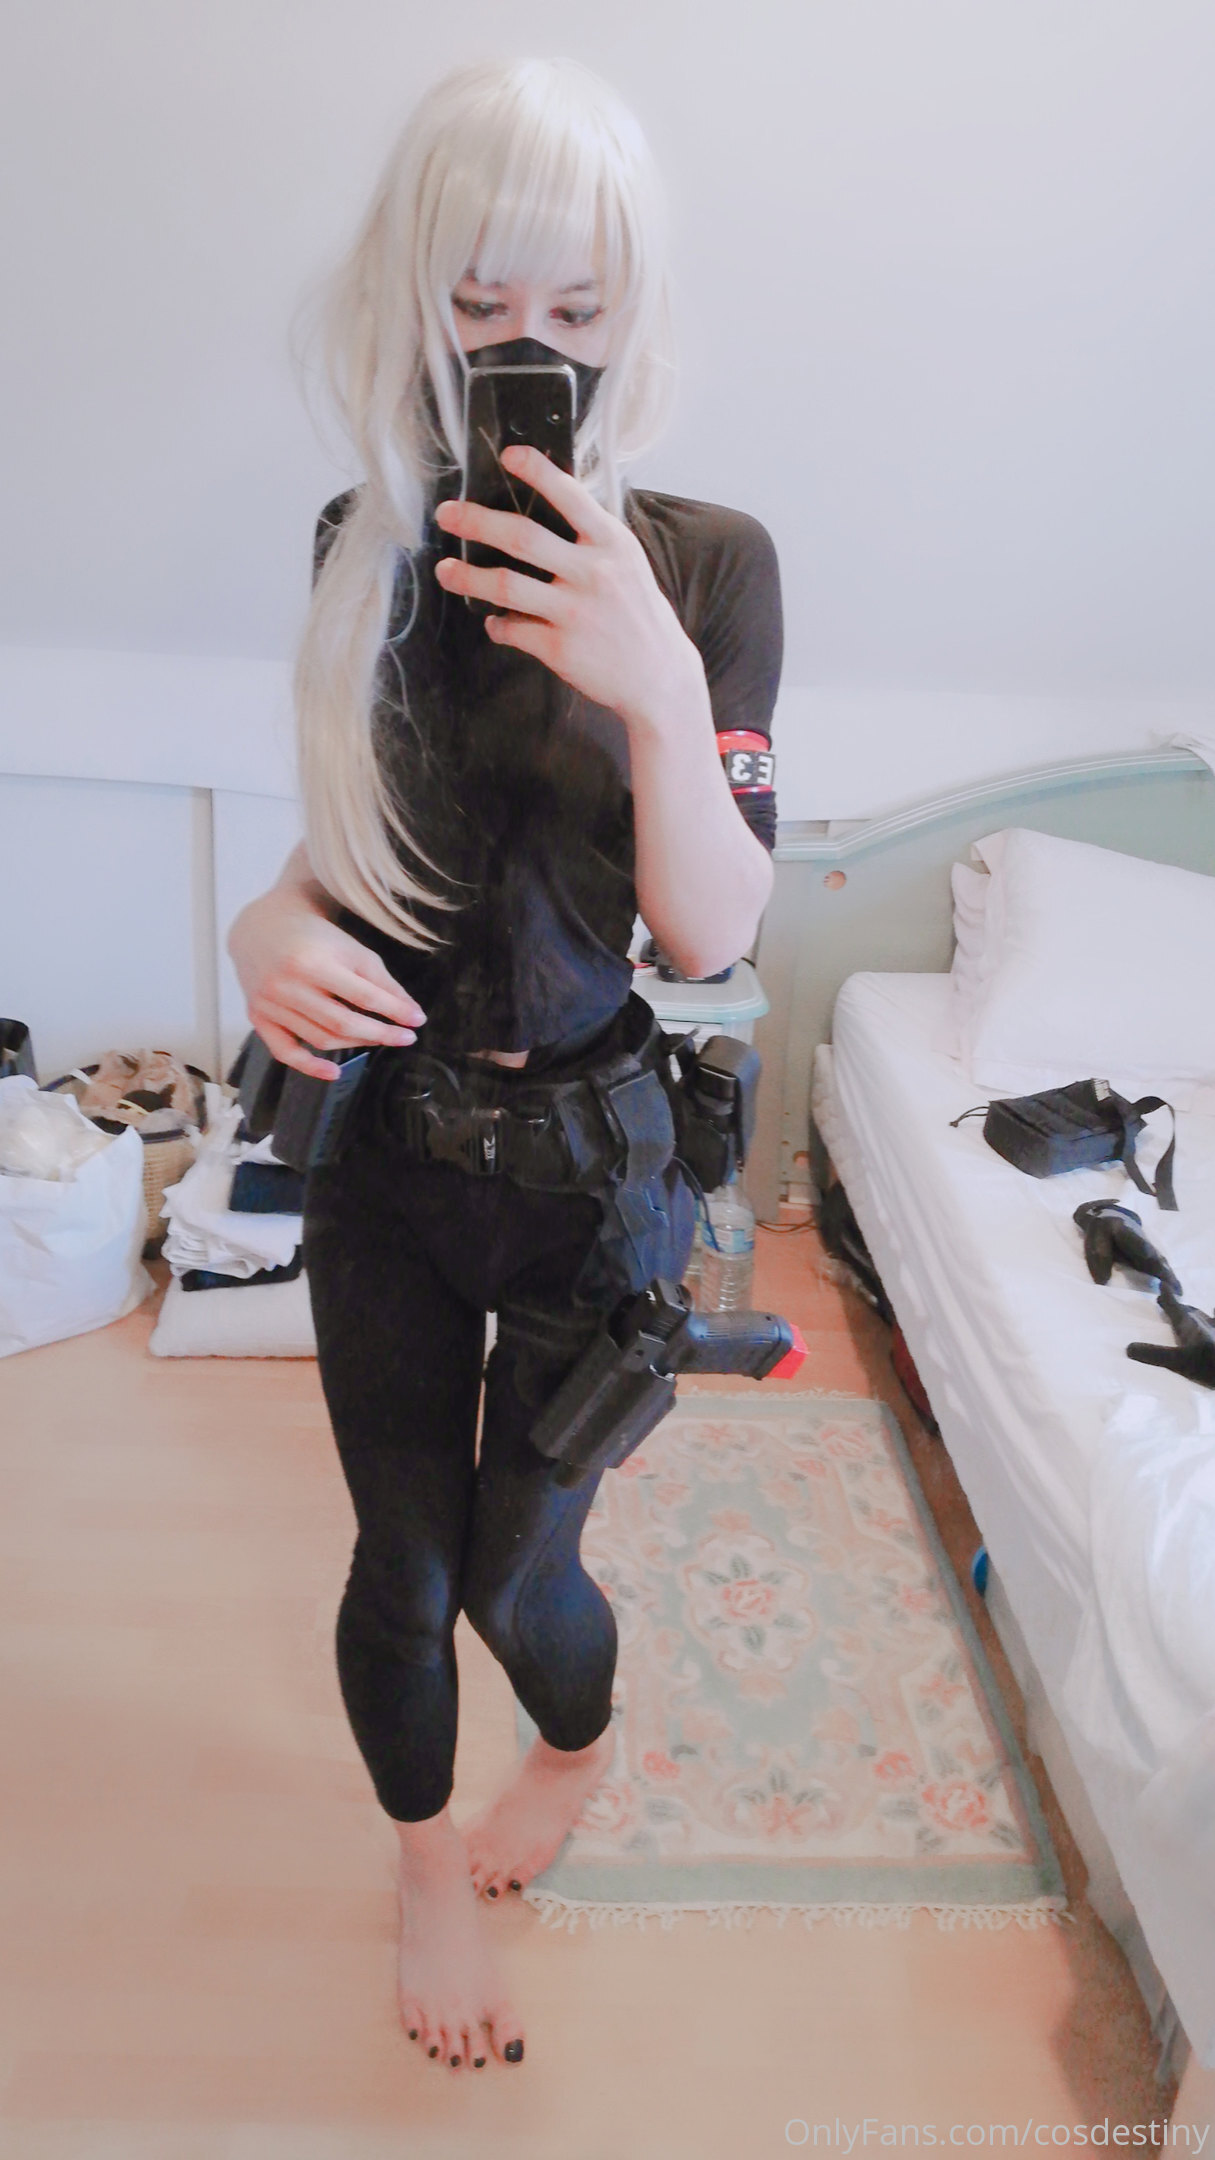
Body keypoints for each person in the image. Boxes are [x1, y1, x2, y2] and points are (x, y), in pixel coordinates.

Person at [227, 55, 782, 2077]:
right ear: (413, 298)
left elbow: (712, 932)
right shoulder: (358, 540)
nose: (521, 351)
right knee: (401, 1561)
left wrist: (654, 693)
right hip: (389, 1146)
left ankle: (573, 1744)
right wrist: (261, 924)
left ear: (632, 312)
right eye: (477, 305)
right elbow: (350, 851)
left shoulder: (706, 567)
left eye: (572, 308)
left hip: (593, 1171)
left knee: (517, 1571)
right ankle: (421, 1868)